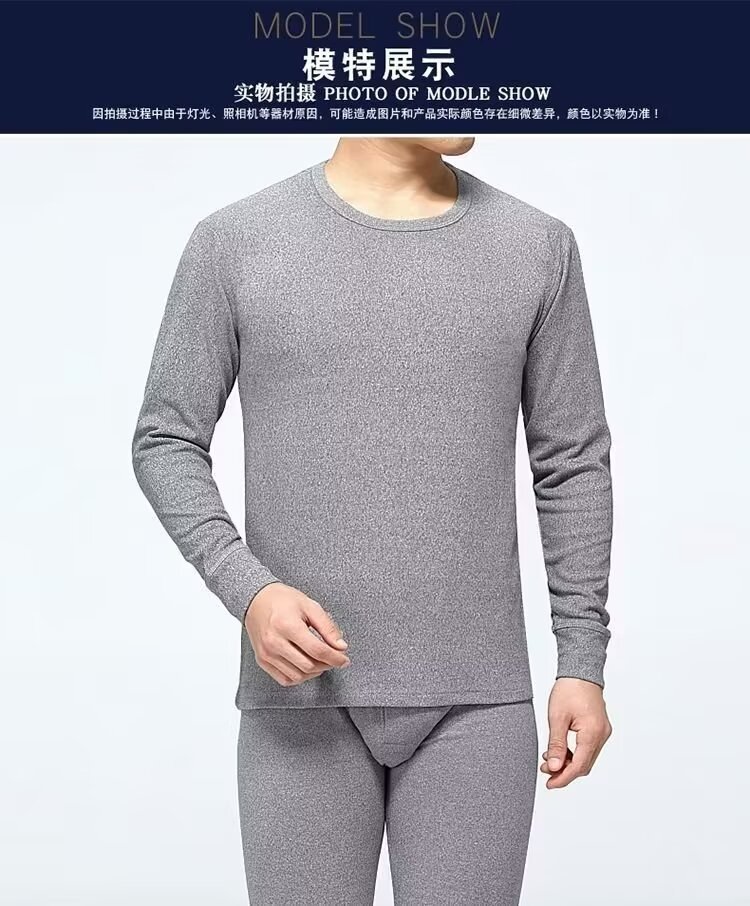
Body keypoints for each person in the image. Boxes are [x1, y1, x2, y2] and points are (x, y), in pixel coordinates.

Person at [131, 136, 614, 905]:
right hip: (300, 700)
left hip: (477, 702)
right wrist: (249, 590)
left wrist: (581, 660)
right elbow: (165, 439)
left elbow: (573, 461)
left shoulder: (535, 247)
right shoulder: (237, 242)